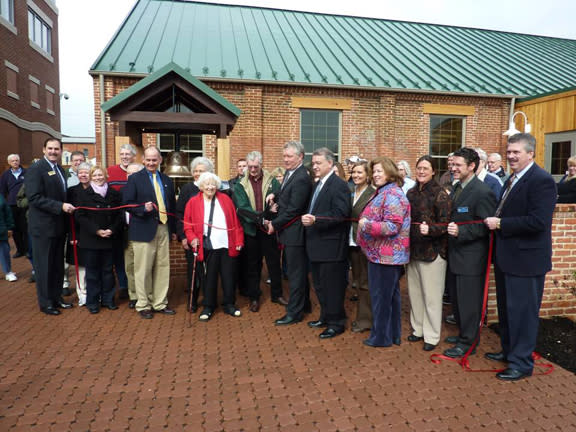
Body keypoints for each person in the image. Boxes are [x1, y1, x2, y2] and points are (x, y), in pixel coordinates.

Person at [484, 133, 557, 381]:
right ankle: (509, 351)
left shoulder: (542, 180)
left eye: (517, 152)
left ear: (530, 153)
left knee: (523, 314)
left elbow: (539, 222)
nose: (511, 156)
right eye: (509, 151)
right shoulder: (512, 179)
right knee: (507, 310)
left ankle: (522, 363)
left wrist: (501, 223)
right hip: (508, 258)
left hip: (527, 261)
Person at [442, 147, 497, 359]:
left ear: (472, 166)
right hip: (456, 256)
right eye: (452, 164)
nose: (453, 168)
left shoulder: (483, 192)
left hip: (472, 259)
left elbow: (486, 226)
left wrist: (462, 231)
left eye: (458, 165)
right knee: (457, 301)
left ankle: (469, 343)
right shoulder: (458, 188)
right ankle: (463, 335)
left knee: (469, 304)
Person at [357, 157, 410, 347]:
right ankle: (392, 335)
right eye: (374, 172)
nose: (376, 175)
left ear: (389, 172)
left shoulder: (393, 194)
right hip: (380, 255)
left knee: (381, 299)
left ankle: (381, 338)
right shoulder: (384, 191)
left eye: (380, 171)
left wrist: (367, 225)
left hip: (386, 256)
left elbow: (392, 226)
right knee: (390, 298)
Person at [301, 148, 351, 338]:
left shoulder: (339, 185)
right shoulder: (318, 184)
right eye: (313, 163)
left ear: (330, 163)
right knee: (320, 285)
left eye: (318, 163)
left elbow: (341, 214)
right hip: (316, 244)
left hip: (331, 247)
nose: (315, 166)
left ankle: (336, 323)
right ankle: (325, 316)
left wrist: (316, 220)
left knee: (333, 287)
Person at [123, 146, 177, 319]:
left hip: (163, 228)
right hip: (143, 229)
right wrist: (141, 209)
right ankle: (143, 304)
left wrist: (173, 230)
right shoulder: (135, 179)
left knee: (162, 267)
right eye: (148, 159)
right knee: (143, 269)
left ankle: (159, 303)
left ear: (160, 160)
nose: (151, 162)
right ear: (143, 160)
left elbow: (172, 207)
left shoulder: (167, 179)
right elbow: (127, 203)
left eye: (155, 159)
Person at [25, 138, 75, 316]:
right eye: (50, 148)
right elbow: (34, 197)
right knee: (44, 266)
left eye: (57, 149)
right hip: (43, 228)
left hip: (58, 227)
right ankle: (46, 303)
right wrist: (60, 206)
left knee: (56, 266)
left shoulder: (60, 169)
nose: (53, 152)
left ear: (61, 151)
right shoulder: (36, 170)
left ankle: (56, 298)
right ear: (44, 149)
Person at [184, 172, 244, 321]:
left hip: (226, 244)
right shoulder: (193, 202)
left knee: (228, 277)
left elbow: (236, 223)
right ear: (201, 186)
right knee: (208, 278)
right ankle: (208, 306)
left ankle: (229, 304)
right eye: (207, 184)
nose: (210, 187)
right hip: (208, 246)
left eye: (213, 184)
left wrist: (238, 241)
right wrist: (192, 239)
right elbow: (188, 225)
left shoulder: (226, 200)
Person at [406, 156, 451, 351]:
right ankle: (418, 329)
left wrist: (431, 230)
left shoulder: (440, 193)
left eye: (426, 168)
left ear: (434, 171)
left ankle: (431, 335)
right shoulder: (411, 192)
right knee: (415, 294)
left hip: (433, 252)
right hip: (413, 251)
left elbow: (446, 223)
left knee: (432, 297)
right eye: (419, 168)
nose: (421, 171)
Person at [266, 141, 313, 325]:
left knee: (295, 274)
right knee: (298, 272)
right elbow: (286, 191)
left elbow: (294, 209)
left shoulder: (301, 177)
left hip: (296, 233)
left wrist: (274, 224)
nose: (285, 160)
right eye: (284, 156)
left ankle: (294, 312)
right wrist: (274, 195)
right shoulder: (290, 172)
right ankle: (305, 305)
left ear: (300, 157)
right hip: (290, 232)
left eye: (289, 156)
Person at [233, 151, 286, 312]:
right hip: (251, 231)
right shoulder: (240, 184)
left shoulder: (273, 182)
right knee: (252, 266)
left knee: (274, 264)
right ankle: (254, 297)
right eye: (250, 167)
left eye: (256, 166)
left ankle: (277, 295)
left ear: (261, 165)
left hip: (269, 230)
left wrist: (270, 216)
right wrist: (262, 218)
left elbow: (279, 201)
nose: (253, 169)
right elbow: (243, 209)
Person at [75, 166, 123, 314]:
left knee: (108, 271)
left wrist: (112, 229)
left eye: (100, 175)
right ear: (90, 177)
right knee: (92, 272)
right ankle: (93, 302)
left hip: (109, 237)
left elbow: (120, 215)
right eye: (94, 175)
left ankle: (108, 299)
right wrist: (96, 230)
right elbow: (80, 216)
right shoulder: (83, 195)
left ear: (106, 176)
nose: (98, 178)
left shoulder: (114, 194)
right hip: (91, 239)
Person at [176, 156, 214, 312]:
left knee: (209, 271)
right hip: (192, 237)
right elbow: (179, 214)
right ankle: (192, 301)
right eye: (196, 171)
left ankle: (208, 300)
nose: (198, 174)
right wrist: (183, 237)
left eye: (202, 171)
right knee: (194, 269)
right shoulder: (187, 190)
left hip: (210, 238)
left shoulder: (213, 188)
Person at [105, 144, 136, 299]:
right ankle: (123, 285)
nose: (125, 156)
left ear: (133, 156)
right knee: (119, 256)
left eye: (128, 154)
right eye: (122, 153)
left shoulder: (139, 171)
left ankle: (132, 287)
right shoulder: (110, 172)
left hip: (135, 222)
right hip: (117, 221)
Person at [348, 161, 375, 333]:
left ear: (368, 175)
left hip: (365, 243)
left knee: (366, 282)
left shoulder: (372, 194)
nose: (356, 175)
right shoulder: (351, 191)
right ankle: (362, 316)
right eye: (354, 172)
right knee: (356, 280)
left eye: (360, 173)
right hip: (350, 242)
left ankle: (366, 320)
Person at [66, 162, 91, 306]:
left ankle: (94, 292)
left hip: (93, 233)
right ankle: (82, 294)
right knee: (81, 266)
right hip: (77, 233)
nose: (83, 175)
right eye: (81, 172)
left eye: (86, 172)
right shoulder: (71, 192)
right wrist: (71, 235)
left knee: (93, 265)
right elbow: (68, 217)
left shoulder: (96, 189)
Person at [123, 163, 144, 309]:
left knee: (143, 267)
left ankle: (145, 294)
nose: (130, 176)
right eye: (128, 174)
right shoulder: (122, 191)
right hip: (127, 234)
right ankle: (134, 295)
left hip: (142, 234)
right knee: (130, 267)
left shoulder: (145, 192)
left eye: (134, 173)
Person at [0, 154, 28, 258]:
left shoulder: (27, 173)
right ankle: (20, 250)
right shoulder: (5, 175)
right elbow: (2, 191)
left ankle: (27, 249)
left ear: (19, 161)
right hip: (12, 206)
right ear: (9, 163)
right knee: (15, 229)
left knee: (25, 228)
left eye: (17, 160)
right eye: (13, 161)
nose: (15, 162)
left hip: (25, 205)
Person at [0, 193, 16, 281]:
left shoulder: (1, 197)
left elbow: (7, 212)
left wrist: (10, 227)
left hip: (1, 230)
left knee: (4, 252)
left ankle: (8, 272)